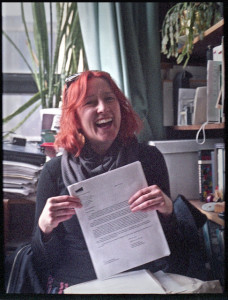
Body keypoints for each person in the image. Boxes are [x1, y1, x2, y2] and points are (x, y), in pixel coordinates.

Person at [31, 70, 205, 294]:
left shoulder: (149, 158)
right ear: (75, 117)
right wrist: (45, 228)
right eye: (90, 102)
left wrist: (168, 211)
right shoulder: (54, 171)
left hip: (142, 281)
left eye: (109, 98)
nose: (103, 108)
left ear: (120, 106)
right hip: (77, 284)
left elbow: (174, 251)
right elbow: (41, 262)